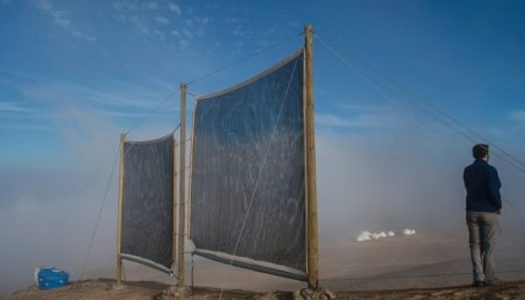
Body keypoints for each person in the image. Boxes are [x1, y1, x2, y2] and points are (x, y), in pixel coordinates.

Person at [463, 144, 502, 287]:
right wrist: (498, 205)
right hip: (488, 211)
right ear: (486, 154)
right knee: (489, 245)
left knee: (475, 245)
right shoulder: (491, 170)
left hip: (471, 210)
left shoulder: (467, 170)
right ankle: (490, 278)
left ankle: (478, 278)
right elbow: (493, 190)